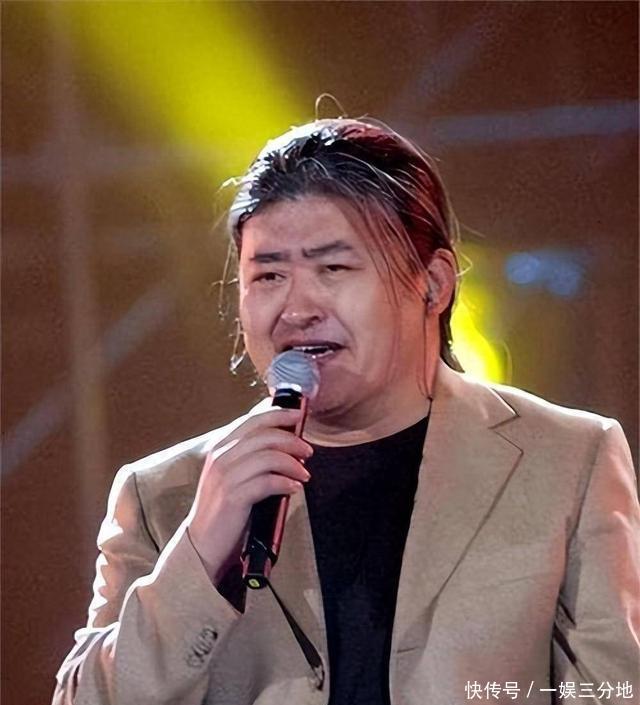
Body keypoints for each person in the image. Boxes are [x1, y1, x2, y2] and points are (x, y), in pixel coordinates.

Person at [53, 118, 640, 705]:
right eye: (268, 275)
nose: (297, 308)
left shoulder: (567, 458)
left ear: (433, 284)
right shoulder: (164, 494)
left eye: (332, 268)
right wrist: (201, 551)